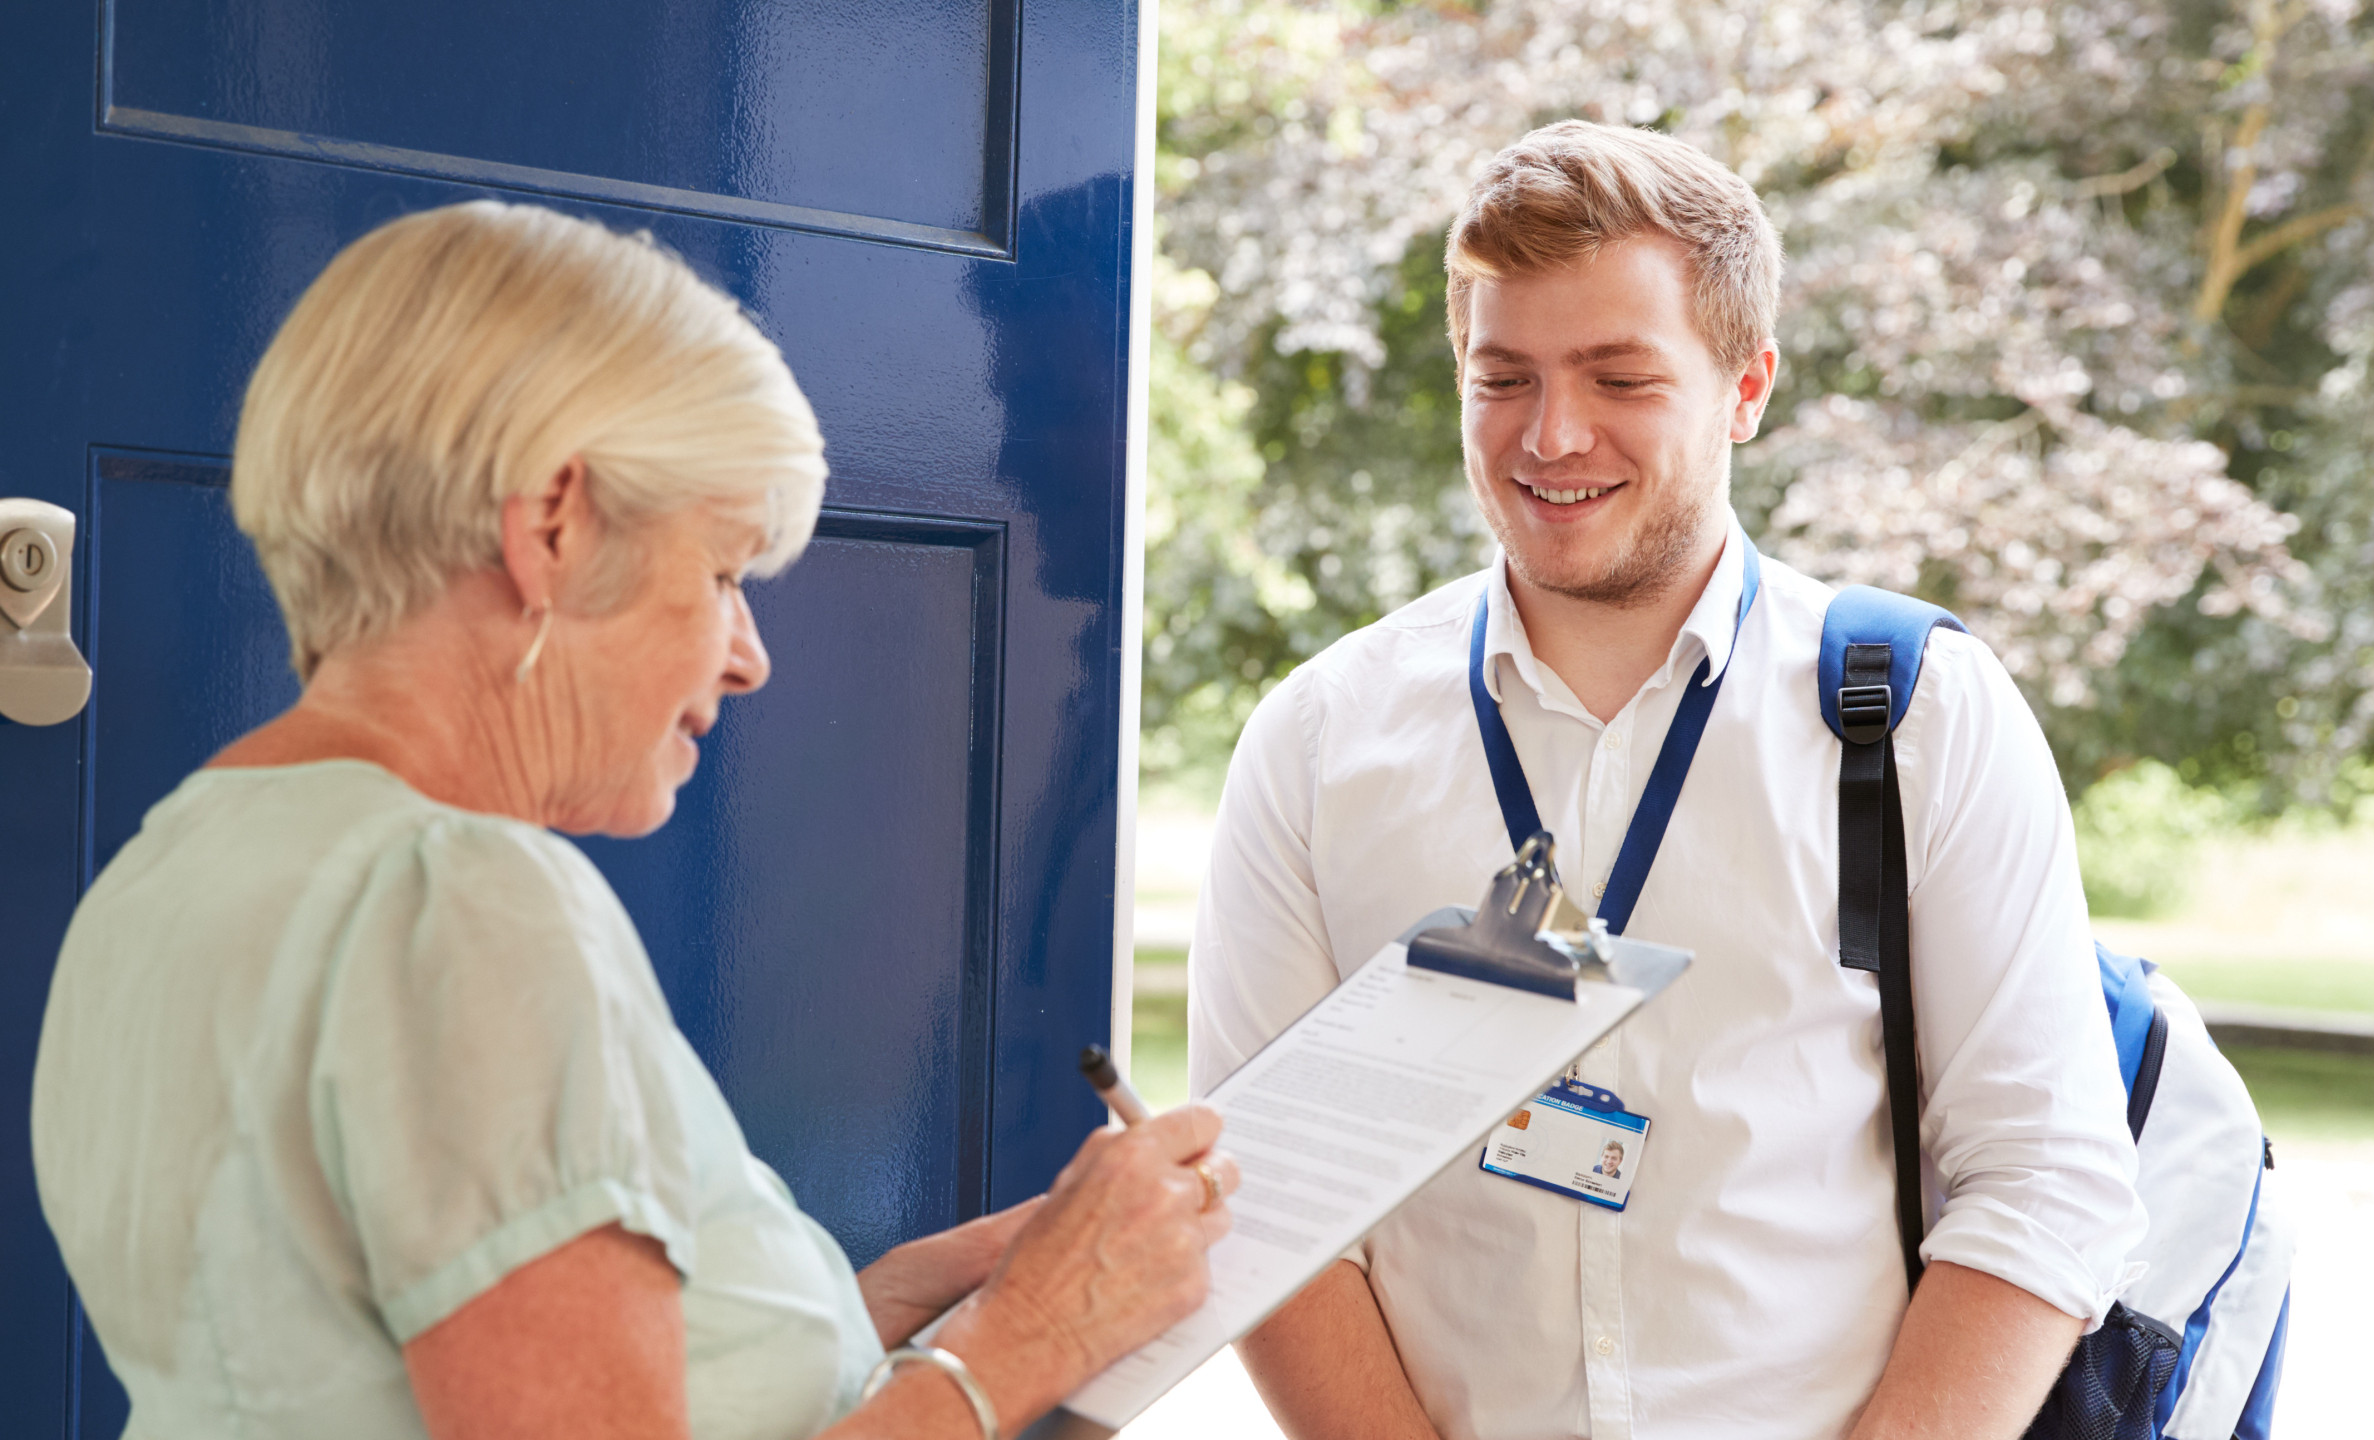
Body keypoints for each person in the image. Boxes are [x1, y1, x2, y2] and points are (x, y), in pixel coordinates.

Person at [29, 200, 1238, 1440]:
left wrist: (903, 1302)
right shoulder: (461, 903)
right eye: (721, 575)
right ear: (552, 527)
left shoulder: (166, 868)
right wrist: (1031, 1337)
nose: (750, 657)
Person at [1188, 122, 2143, 1439]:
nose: (1551, 433)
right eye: (1501, 376)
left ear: (1747, 387)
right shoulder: (1315, 741)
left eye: (1619, 377)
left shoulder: (1921, 716)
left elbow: (2045, 1176)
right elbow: (1270, 1194)